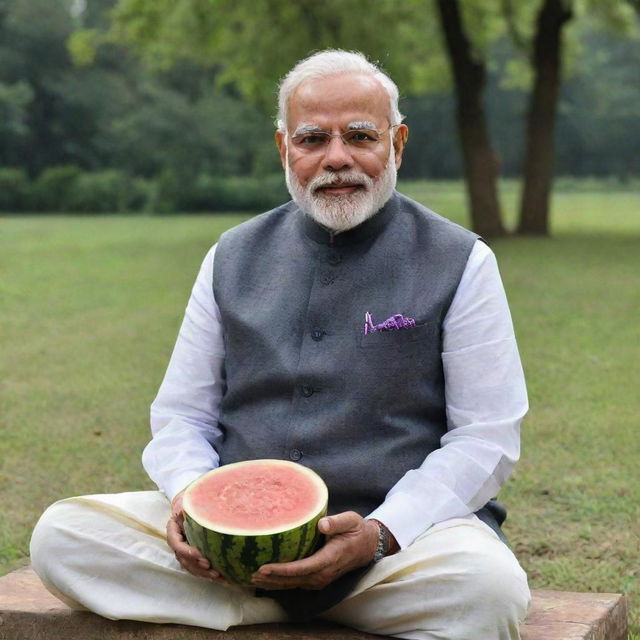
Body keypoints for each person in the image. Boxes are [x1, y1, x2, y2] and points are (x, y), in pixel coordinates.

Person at [31, 49, 531, 639]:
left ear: (396, 144)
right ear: (283, 149)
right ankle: (272, 595)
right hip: (229, 548)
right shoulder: (231, 256)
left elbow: (485, 435)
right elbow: (182, 416)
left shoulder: (461, 260)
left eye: (361, 136)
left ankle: (257, 604)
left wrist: (380, 534)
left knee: (486, 591)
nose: (337, 158)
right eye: (313, 138)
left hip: (394, 550)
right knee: (61, 537)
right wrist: (192, 503)